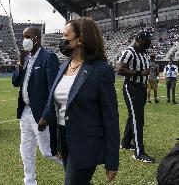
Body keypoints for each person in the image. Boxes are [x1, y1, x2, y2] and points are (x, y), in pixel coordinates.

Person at [38, 17, 120, 185]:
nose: (62, 40)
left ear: (80, 39)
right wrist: (47, 119)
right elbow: (56, 101)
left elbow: (110, 117)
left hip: (86, 143)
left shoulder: (101, 70)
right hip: (64, 139)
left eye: (65, 35)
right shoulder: (63, 67)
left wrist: (112, 160)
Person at [12, 26, 61, 185]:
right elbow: (15, 82)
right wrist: (20, 63)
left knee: (48, 151)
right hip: (26, 111)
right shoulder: (25, 59)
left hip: (40, 113)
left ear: (37, 39)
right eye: (23, 37)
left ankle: (76, 172)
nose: (24, 40)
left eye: (28, 37)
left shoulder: (49, 57)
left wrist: (46, 116)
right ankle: (29, 181)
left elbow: (52, 89)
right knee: (25, 149)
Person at [117, 30, 155, 163]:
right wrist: (140, 73)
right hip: (131, 87)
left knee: (132, 116)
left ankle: (126, 143)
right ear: (139, 39)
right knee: (137, 119)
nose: (149, 42)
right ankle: (139, 153)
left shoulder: (144, 53)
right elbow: (120, 69)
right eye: (146, 40)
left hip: (141, 88)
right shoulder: (129, 52)